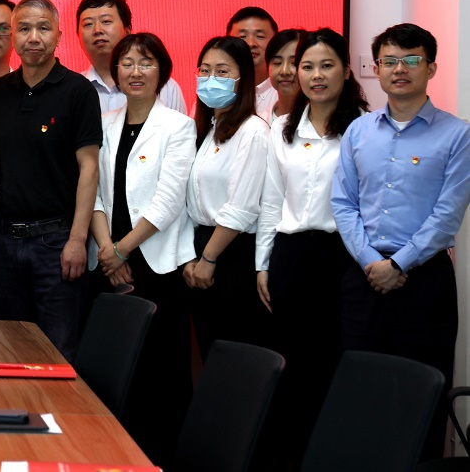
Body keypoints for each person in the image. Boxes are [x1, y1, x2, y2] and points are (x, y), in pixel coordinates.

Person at [332, 23, 470, 462]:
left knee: (422, 392)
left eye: (412, 60)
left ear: (431, 68)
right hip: (363, 279)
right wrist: (371, 262)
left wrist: (399, 265)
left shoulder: (458, 134)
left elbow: (447, 214)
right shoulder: (358, 131)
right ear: (376, 69)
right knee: (362, 390)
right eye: (389, 60)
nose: (400, 69)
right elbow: (343, 203)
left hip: (424, 280)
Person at [256, 28, 367, 467]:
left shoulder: (364, 128)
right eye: (307, 66)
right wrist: (262, 263)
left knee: (336, 362)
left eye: (327, 66)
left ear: (346, 71)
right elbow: (271, 201)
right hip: (291, 256)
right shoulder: (283, 129)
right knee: (292, 364)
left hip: (343, 257)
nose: (316, 75)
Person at [89, 32, 196, 466]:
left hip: (157, 264)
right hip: (109, 262)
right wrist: (107, 250)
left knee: (161, 372)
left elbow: (168, 201)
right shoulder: (104, 122)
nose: (136, 71)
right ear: (115, 72)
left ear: (162, 71)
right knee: (117, 367)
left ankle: (162, 459)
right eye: (128, 63)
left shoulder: (178, 126)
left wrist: (122, 250)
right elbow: (94, 193)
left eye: (146, 62)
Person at [0, 0, 102, 361]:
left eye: (44, 28)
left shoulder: (78, 91)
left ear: (59, 36)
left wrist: (78, 239)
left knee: (58, 353)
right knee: (11, 350)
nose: (34, 37)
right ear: (13, 35)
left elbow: (89, 168)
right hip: (3, 243)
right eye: (25, 28)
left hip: (57, 244)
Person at [182, 36, 271, 358]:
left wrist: (208, 259)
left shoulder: (253, 131)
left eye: (222, 72)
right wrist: (191, 256)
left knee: (235, 356)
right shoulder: (207, 129)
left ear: (242, 78)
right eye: (205, 71)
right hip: (201, 248)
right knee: (210, 352)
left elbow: (241, 207)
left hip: (232, 255)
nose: (211, 79)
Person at [75, 0, 187, 114]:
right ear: (78, 35)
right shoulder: (73, 90)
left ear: (127, 30)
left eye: (106, 21)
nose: (97, 30)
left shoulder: (166, 88)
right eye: (88, 24)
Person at [227, 5, 278, 107]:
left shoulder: (285, 96)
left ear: (276, 43)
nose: (250, 43)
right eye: (242, 37)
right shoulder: (216, 96)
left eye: (260, 36)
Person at [258, 28, 304, 124]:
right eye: (277, 63)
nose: (285, 71)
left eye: (294, 63)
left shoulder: (324, 122)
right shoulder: (258, 123)